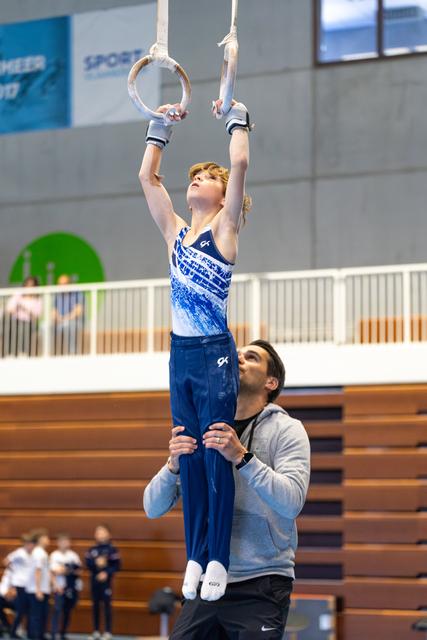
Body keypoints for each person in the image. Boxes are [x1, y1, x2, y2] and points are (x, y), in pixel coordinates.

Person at [139, 98, 251, 601]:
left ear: (225, 195)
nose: (196, 182)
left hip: (214, 354)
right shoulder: (175, 234)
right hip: (180, 354)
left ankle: (218, 559)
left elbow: (241, 161)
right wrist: (158, 128)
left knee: (213, 452)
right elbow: (148, 179)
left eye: (208, 177)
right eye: (194, 179)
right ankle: (194, 554)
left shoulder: (226, 229)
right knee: (185, 453)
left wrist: (236, 117)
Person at [144, 340, 311, 639]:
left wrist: (242, 457)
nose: (239, 359)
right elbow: (151, 507)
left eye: (252, 357)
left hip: (261, 582)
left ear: (271, 382)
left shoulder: (287, 430)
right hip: (207, 580)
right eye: (237, 355)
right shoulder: (205, 427)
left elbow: (291, 501)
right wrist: (173, 465)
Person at [85, 525, 121, 640]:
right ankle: (95, 630)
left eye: (102, 532)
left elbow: (117, 565)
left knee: (106, 606)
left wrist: (106, 572)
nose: (100, 534)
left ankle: (107, 631)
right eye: (98, 532)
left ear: (108, 534)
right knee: (95, 605)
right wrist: (96, 563)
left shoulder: (112, 550)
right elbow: (88, 564)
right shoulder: (92, 550)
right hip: (94, 582)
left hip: (106, 583)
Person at [50, 533, 82, 640]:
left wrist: (67, 570)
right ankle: (54, 634)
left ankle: (63, 633)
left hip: (71, 587)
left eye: (66, 541)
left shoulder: (73, 555)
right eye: (62, 541)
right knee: (57, 610)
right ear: (58, 543)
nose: (64, 544)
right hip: (59, 587)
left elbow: (78, 570)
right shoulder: (54, 555)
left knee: (68, 611)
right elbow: (55, 571)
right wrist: (68, 570)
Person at [4, 532, 35, 638]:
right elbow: (6, 561)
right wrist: (14, 571)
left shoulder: (31, 555)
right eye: (28, 544)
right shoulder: (19, 553)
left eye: (32, 544)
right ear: (25, 544)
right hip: (19, 586)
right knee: (20, 609)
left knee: (25, 610)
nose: (30, 546)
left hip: (27, 587)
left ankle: (20, 630)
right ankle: (13, 632)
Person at [5, 276, 42, 357]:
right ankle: (10, 353)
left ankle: (23, 352)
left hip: (29, 322)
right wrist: (15, 309)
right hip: (15, 320)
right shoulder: (18, 295)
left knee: (22, 328)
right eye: (27, 285)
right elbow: (9, 309)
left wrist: (25, 309)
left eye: (31, 286)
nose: (29, 288)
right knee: (9, 327)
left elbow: (36, 316)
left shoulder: (38, 299)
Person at [26, 529, 51, 640]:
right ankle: (35, 636)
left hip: (42, 589)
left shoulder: (41, 552)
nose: (48, 539)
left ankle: (40, 635)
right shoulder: (39, 553)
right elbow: (37, 571)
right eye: (46, 537)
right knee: (36, 616)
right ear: (40, 539)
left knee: (41, 614)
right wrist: (38, 589)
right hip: (36, 590)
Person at [52, 275, 85, 355]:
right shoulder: (57, 296)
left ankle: (72, 353)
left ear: (69, 284)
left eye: (64, 284)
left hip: (75, 322)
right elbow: (53, 312)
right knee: (45, 327)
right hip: (59, 323)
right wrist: (57, 318)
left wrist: (64, 319)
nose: (62, 286)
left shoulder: (77, 293)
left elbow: (78, 311)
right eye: (60, 284)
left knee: (69, 325)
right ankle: (51, 353)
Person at [0, 568, 15, 637]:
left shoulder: (17, 577)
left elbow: (14, 592)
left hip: (15, 601)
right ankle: (6, 626)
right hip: (5, 599)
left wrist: (10, 593)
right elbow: (3, 591)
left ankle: (9, 628)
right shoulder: (6, 577)